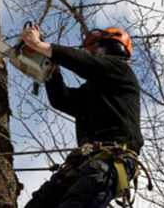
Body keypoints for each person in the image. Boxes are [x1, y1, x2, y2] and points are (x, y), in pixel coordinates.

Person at [20, 25, 144, 208]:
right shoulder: (95, 92)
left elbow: (86, 64)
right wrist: (52, 72)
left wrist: (41, 46)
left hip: (110, 160)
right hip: (81, 163)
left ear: (110, 46)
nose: (93, 53)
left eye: (96, 48)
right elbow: (62, 100)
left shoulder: (121, 71)